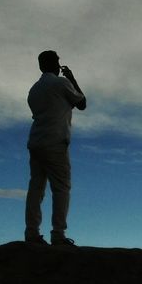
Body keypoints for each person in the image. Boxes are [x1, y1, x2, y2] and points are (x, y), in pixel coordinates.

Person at [25, 50, 87, 246]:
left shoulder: (33, 90)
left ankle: (31, 233)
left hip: (36, 141)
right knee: (61, 188)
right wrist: (72, 78)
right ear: (55, 65)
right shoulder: (61, 83)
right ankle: (58, 233)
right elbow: (82, 103)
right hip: (55, 142)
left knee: (36, 188)